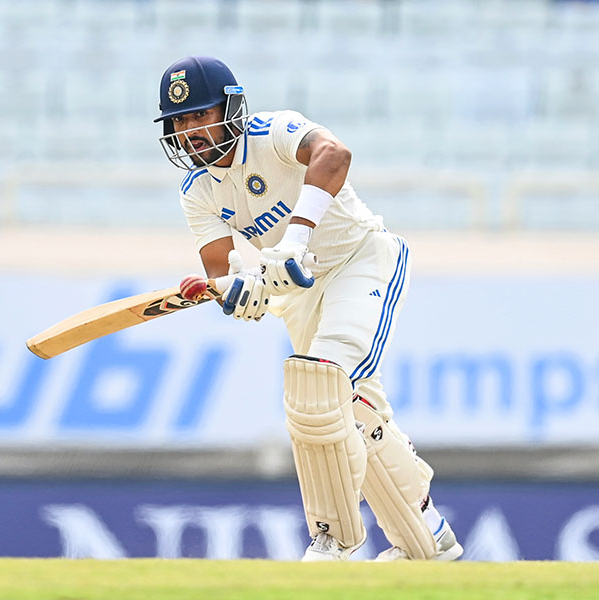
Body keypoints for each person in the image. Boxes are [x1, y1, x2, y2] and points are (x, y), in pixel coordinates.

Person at [154, 56, 463, 562]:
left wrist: (295, 240)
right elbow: (222, 272)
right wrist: (239, 294)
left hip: (359, 260)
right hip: (299, 291)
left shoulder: (272, 131)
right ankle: (430, 538)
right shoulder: (197, 191)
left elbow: (334, 154)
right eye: (180, 122)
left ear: (229, 107)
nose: (190, 133)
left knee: (320, 385)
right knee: (355, 408)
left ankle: (333, 540)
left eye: (200, 115)